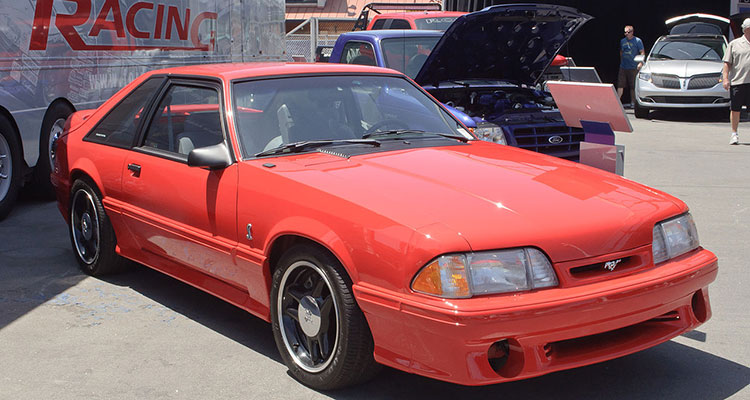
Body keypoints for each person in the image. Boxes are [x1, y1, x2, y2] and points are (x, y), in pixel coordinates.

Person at [723, 18, 750, 145]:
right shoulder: (735, 44)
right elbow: (727, 64)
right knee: (735, 109)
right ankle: (734, 134)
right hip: (738, 81)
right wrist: (725, 79)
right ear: (745, 29)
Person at [618, 25, 644, 108]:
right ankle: (618, 101)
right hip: (623, 66)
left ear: (632, 32)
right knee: (620, 84)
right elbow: (621, 51)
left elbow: (642, 52)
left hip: (633, 66)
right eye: (625, 32)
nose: (626, 34)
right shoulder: (622, 41)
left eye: (628, 32)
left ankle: (633, 102)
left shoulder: (637, 41)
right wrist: (621, 60)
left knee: (633, 86)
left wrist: (640, 62)